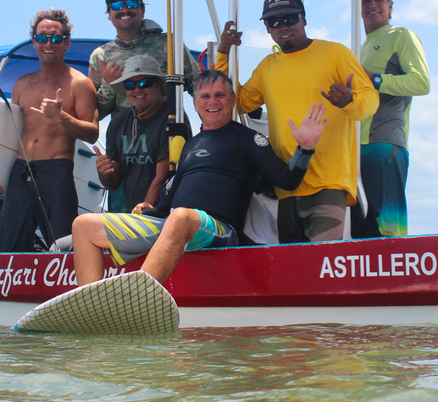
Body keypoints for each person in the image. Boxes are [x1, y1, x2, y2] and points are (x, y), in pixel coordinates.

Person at [71, 69, 328, 285]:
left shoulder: (248, 139)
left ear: (232, 99)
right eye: (205, 96)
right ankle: (90, 307)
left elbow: (287, 180)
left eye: (219, 95)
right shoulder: (191, 145)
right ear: (195, 103)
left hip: (219, 230)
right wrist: (151, 208)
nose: (212, 102)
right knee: (84, 226)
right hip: (175, 225)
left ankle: (140, 299)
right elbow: (172, 194)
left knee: (182, 215)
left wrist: (305, 149)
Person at [216, 0, 378, 243]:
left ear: (304, 19)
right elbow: (236, 104)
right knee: (294, 268)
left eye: (290, 18)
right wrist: (223, 54)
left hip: (329, 182)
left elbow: (371, 101)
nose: (283, 27)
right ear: (267, 29)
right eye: (274, 22)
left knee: (323, 263)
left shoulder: (336, 53)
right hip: (288, 183)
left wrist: (350, 102)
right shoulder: (268, 66)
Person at [0, 9, 99, 252]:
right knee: (9, 247)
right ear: (34, 42)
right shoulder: (22, 84)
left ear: (67, 42)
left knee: (62, 246)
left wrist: (61, 117)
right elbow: (10, 135)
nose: (48, 43)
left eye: (55, 37)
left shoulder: (80, 84)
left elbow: (92, 133)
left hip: (56, 172)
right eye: (42, 38)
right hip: (21, 170)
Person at [358, 0, 430, 237]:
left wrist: (375, 79)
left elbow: (421, 83)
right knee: (363, 229)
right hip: (356, 148)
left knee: (388, 227)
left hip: (386, 143)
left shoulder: (402, 36)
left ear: (390, 6)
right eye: (365, 0)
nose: (372, 5)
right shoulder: (358, 46)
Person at [87, 0, 201, 119]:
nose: (124, 10)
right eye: (117, 6)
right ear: (109, 14)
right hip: (123, 136)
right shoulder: (99, 56)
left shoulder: (169, 43)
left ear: (142, 10)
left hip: (169, 132)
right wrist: (110, 85)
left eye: (132, 4)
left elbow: (198, 87)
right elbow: (94, 115)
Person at [94, 54, 191, 213]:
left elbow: (162, 176)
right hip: (137, 214)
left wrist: (146, 208)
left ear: (159, 84)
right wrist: (104, 173)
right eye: (130, 84)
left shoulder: (174, 117)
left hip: (167, 214)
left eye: (145, 82)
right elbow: (113, 184)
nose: (137, 89)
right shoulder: (118, 122)